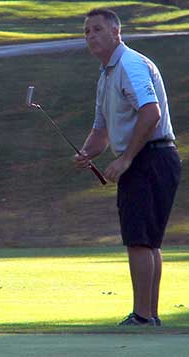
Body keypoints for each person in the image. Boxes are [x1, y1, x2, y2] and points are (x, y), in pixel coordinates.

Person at [75, 8, 181, 326]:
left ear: (116, 33)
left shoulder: (130, 64)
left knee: (139, 240)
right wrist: (86, 153)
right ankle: (150, 315)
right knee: (147, 241)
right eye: (86, 32)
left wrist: (126, 158)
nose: (91, 36)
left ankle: (142, 315)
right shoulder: (106, 75)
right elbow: (101, 131)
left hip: (152, 157)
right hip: (151, 158)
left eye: (97, 29)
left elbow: (151, 113)